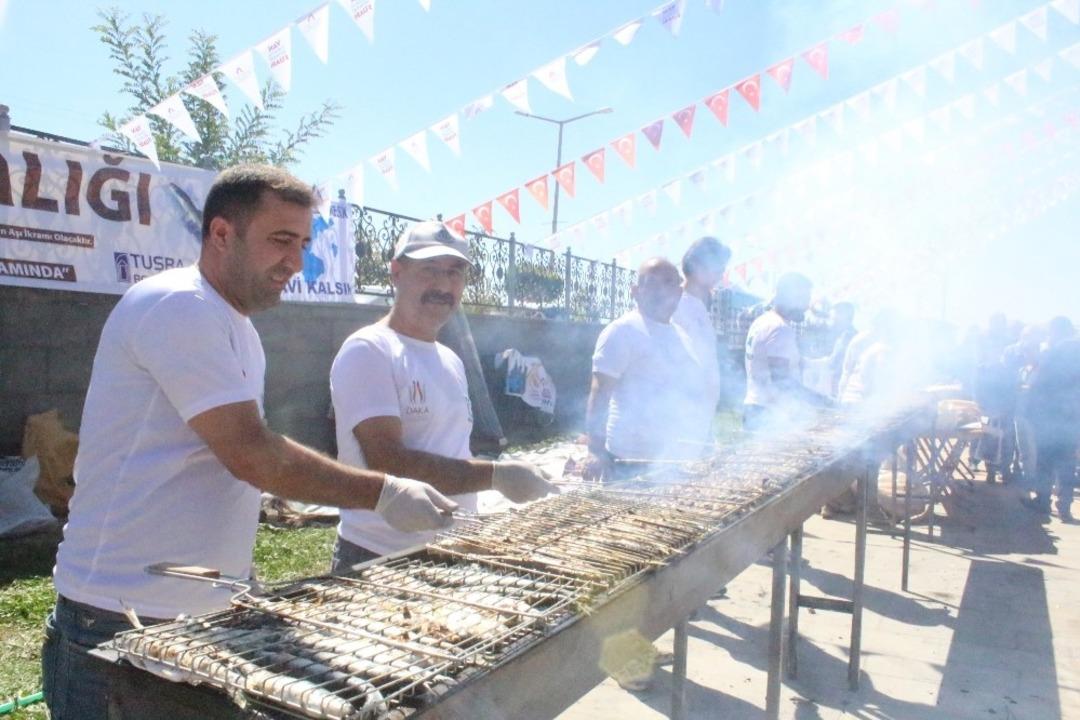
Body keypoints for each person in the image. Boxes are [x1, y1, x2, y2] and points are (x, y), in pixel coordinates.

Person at [42, 165, 458, 720]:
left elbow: (208, 464)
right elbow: (252, 454)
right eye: (281, 240)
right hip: (116, 618)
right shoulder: (179, 305)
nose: (296, 260)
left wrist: (237, 572)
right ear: (221, 234)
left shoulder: (235, 324)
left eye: (305, 244)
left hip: (193, 614)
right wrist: (383, 491)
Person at [329, 221, 555, 570]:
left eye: (454, 273)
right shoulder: (369, 349)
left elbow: (451, 449)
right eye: (429, 271)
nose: (443, 285)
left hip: (452, 548)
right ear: (397, 273)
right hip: (380, 556)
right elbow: (388, 461)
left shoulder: (450, 360)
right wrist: (496, 475)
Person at [584, 257, 703, 482]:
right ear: (636, 291)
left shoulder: (681, 335)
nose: (662, 290)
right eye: (653, 283)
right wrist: (595, 452)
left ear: (679, 292)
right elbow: (600, 393)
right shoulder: (621, 331)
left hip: (669, 458)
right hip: (627, 460)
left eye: (669, 283)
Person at [670, 236, 732, 448]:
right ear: (696, 265)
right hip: (680, 415)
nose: (721, 273)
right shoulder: (676, 305)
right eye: (717, 266)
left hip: (700, 414)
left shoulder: (699, 307)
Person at [742, 272, 823, 431]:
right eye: (804, 300)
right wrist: (822, 401)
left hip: (754, 408)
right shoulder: (780, 329)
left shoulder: (763, 321)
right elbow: (782, 381)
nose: (807, 307)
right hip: (768, 415)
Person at [1022, 317, 1080, 521]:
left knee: (1045, 460)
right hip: (1073, 416)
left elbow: (1039, 383)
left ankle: (1043, 501)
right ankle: (1065, 506)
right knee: (1067, 463)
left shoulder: (1053, 353)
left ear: (1056, 332)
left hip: (1049, 414)